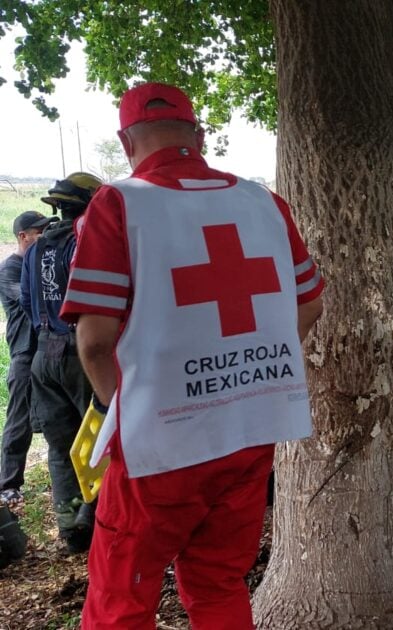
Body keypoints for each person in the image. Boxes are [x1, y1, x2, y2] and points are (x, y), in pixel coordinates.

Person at [64, 82, 325, 629]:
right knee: (219, 584)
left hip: (160, 442)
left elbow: (93, 341)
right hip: (251, 430)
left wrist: (129, 408)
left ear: (126, 140)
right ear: (199, 136)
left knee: (121, 597)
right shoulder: (265, 203)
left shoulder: (117, 203)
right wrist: (248, 370)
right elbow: (308, 305)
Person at [20, 172, 102, 553]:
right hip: (80, 351)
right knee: (98, 437)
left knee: (60, 444)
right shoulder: (86, 241)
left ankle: (70, 528)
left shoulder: (35, 249)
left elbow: (25, 301)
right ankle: (96, 515)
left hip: (43, 355)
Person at [1, 211, 52, 508]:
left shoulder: (41, 263)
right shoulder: (11, 268)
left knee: (58, 418)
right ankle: (8, 485)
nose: (44, 236)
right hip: (24, 352)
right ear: (24, 236)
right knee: (18, 420)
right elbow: (30, 298)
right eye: (39, 232)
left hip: (48, 352)